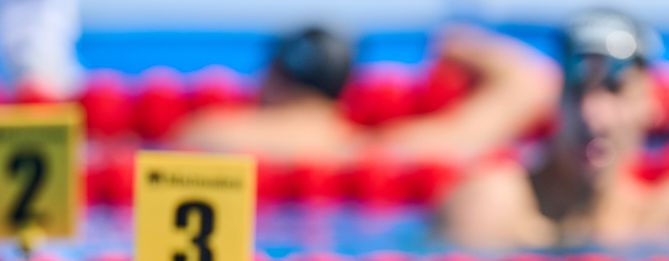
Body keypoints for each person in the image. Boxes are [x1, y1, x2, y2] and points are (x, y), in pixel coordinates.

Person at [439, 9, 669, 248]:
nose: (592, 115)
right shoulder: (491, 205)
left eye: (615, 89)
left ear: (651, 106)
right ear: (555, 102)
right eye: (577, 91)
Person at [173, 25, 561, 163]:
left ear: (273, 75)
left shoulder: (210, 134)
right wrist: (463, 45)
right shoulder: (386, 152)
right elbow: (534, 83)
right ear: (345, 86)